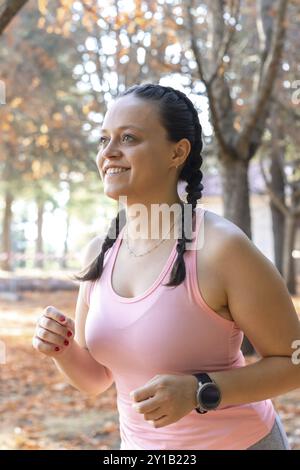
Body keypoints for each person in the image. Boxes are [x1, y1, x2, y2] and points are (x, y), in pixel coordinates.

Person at [32, 83, 300, 450]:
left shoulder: (222, 248)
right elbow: (97, 378)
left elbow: (294, 361)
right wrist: (61, 349)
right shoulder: (100, 252)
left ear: (178, 152)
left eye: (128, 138)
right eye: (103, 140)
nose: (109, 152)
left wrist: (200, 390)